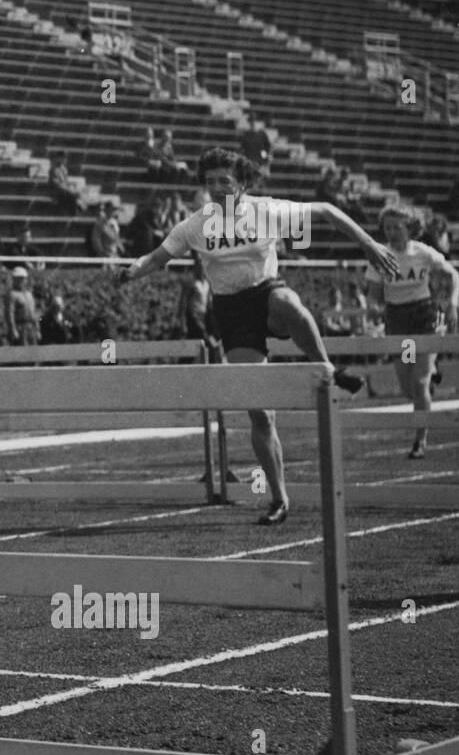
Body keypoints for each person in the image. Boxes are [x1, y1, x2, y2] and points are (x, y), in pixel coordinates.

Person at [120, 147, 398, 525]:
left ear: (243, 184)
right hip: (233, 315)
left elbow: (327, 211)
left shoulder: (267, 210)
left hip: (266, 294)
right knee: (260, 413)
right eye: (211, 182)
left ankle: (327, 370)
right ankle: (279, 498)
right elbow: (156, 258)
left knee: (289, 301)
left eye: (225, 181)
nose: (217, 188)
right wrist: (131, 272)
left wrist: (369, 244)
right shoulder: (195, 225)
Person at [365, 207, 459, 458]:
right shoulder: (380, 256)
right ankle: (431, 374)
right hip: (399, 322)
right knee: (408, 387)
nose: (392, 232)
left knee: (419, 383)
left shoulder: (422, 253)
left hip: (424, 318)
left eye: (397, 227)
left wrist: (452, 302)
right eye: (388, 227)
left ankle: (420, 440)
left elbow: (454, 275)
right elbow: (373, 294)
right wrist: (374, 307)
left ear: (410, 228)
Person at [4, 266, 38, 345]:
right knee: (21, 355)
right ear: (14, 280)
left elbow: (33, 313)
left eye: (22, 278)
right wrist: (13, 330)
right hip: (20, 328)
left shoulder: (29, 294)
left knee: (34, 353)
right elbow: (9, 314)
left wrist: (37, 328)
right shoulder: (11, 294)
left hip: (31, 328)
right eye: (18, 278)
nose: (20, 281)